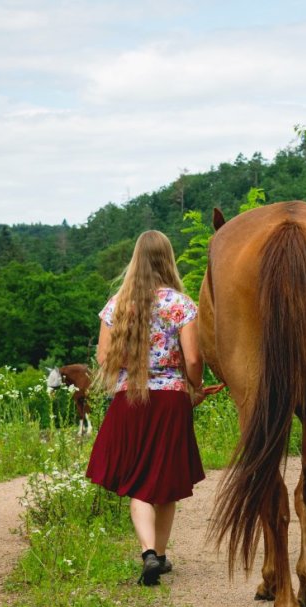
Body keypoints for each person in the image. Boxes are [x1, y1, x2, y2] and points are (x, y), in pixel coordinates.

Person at [86, 229, 206, 586]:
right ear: (167, 258)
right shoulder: (181, 305)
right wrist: (194, 387)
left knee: (138, 482)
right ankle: (162, 555)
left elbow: (103, 358)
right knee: (167, 480)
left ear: (136, 259)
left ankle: (149, 553)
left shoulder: (117, 304)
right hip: (170, 398)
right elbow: (194, 358)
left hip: (130, 399)